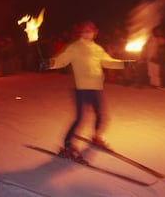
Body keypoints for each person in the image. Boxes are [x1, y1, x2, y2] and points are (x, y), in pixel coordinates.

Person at [46, 21, 129, 161]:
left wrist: (125, 64)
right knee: (80, 118)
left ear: (95, 32)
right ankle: (67, 145)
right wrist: (50, 63)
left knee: (101, 115)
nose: (87, 32)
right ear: (80, 32)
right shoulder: (75, 47)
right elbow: (62, 60)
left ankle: (96, 136)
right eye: (84, 30)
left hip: (96, 87)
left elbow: (108, 61)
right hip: (81, 88)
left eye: (90, 30)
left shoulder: (97, 48)